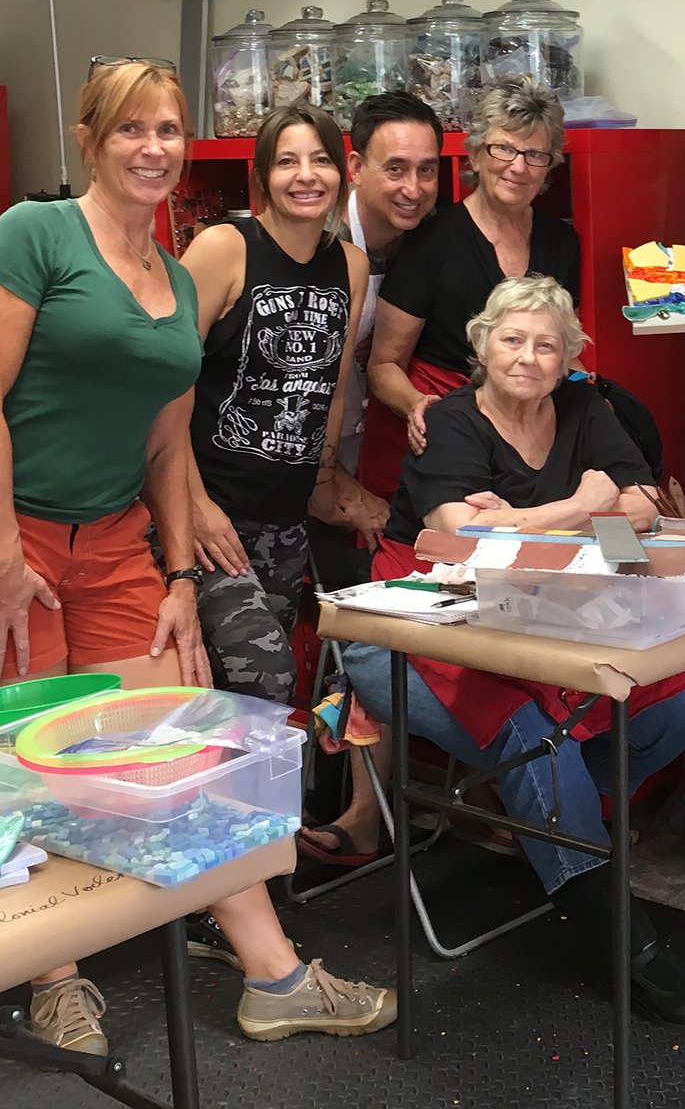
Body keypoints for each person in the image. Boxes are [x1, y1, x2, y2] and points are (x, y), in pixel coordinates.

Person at [0, 60, 392, 1054]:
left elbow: (170, 447)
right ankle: (55, 977)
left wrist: (180, 575)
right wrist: (5, 552)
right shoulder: (32, 236)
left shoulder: (176, 278)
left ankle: (276, 976)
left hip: (117, 540)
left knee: (179, 739)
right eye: (132, 129)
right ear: (88, 138)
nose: (154, 148)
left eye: (170, 129)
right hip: (20, 533)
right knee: (33, 754)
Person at [340, 276, 685, 1031]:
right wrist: (577, 508)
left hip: (547, 608)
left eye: (547, 344)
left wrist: (523, 522)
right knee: (535, 742)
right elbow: (461, 539)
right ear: (482, 345)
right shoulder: (452, 419)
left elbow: (644, 503)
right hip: (416, 627)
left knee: (677, 697)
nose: (528, 357)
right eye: (512, 340)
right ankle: (625, 945)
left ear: (569, 359)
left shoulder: (586, 407)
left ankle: (550, 828)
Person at [180, 105, 368, 705]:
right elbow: (166, 384)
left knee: (258, 706)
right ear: (262, 175)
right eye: (287, 161)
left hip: (285, 521)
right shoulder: (224, 248)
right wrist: (194, 505)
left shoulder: (352, 265)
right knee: (266, 677)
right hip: (210, 515)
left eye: (320, 160)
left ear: (343, 173)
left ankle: (242, 800)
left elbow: (332, 386)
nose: (305, 175)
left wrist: (327, 480)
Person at [363, 76, 579, 500]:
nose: (518, 166)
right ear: (476, 154)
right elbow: (383, 364)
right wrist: (418, 407)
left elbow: (563, 348)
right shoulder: (431, 239)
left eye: (535, 154)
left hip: (528, 439)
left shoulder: (562, 241)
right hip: (438, 433)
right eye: (504, 148)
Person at [306, 91, 445, 586]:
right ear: (356, 167)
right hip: (305, 465)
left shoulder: (431, 243)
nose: (413, 188)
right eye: (396, 169)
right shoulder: (317, 245)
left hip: (376, 455)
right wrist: (333, 486)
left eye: (427, 170)